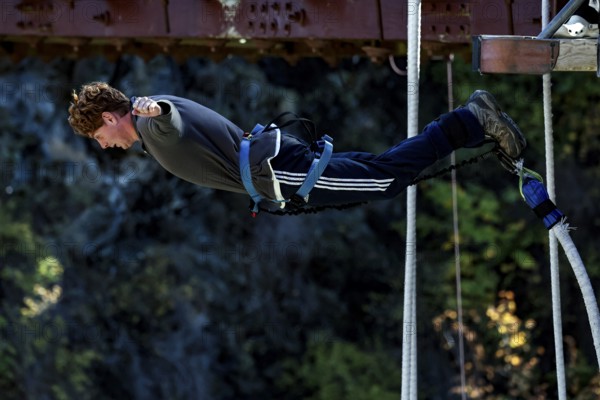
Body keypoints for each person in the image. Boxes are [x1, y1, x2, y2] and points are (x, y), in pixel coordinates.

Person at [67, 82, 526, 214]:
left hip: (275, 171)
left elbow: (168, 115)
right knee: (378, 169)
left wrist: (153, 108)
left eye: (99, 138)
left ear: (110, 118)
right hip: (275, 166)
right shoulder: (149, 136)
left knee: (384, 180)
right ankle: (471, 122)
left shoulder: (151, 128)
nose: (105, 147)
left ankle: (471, 120)